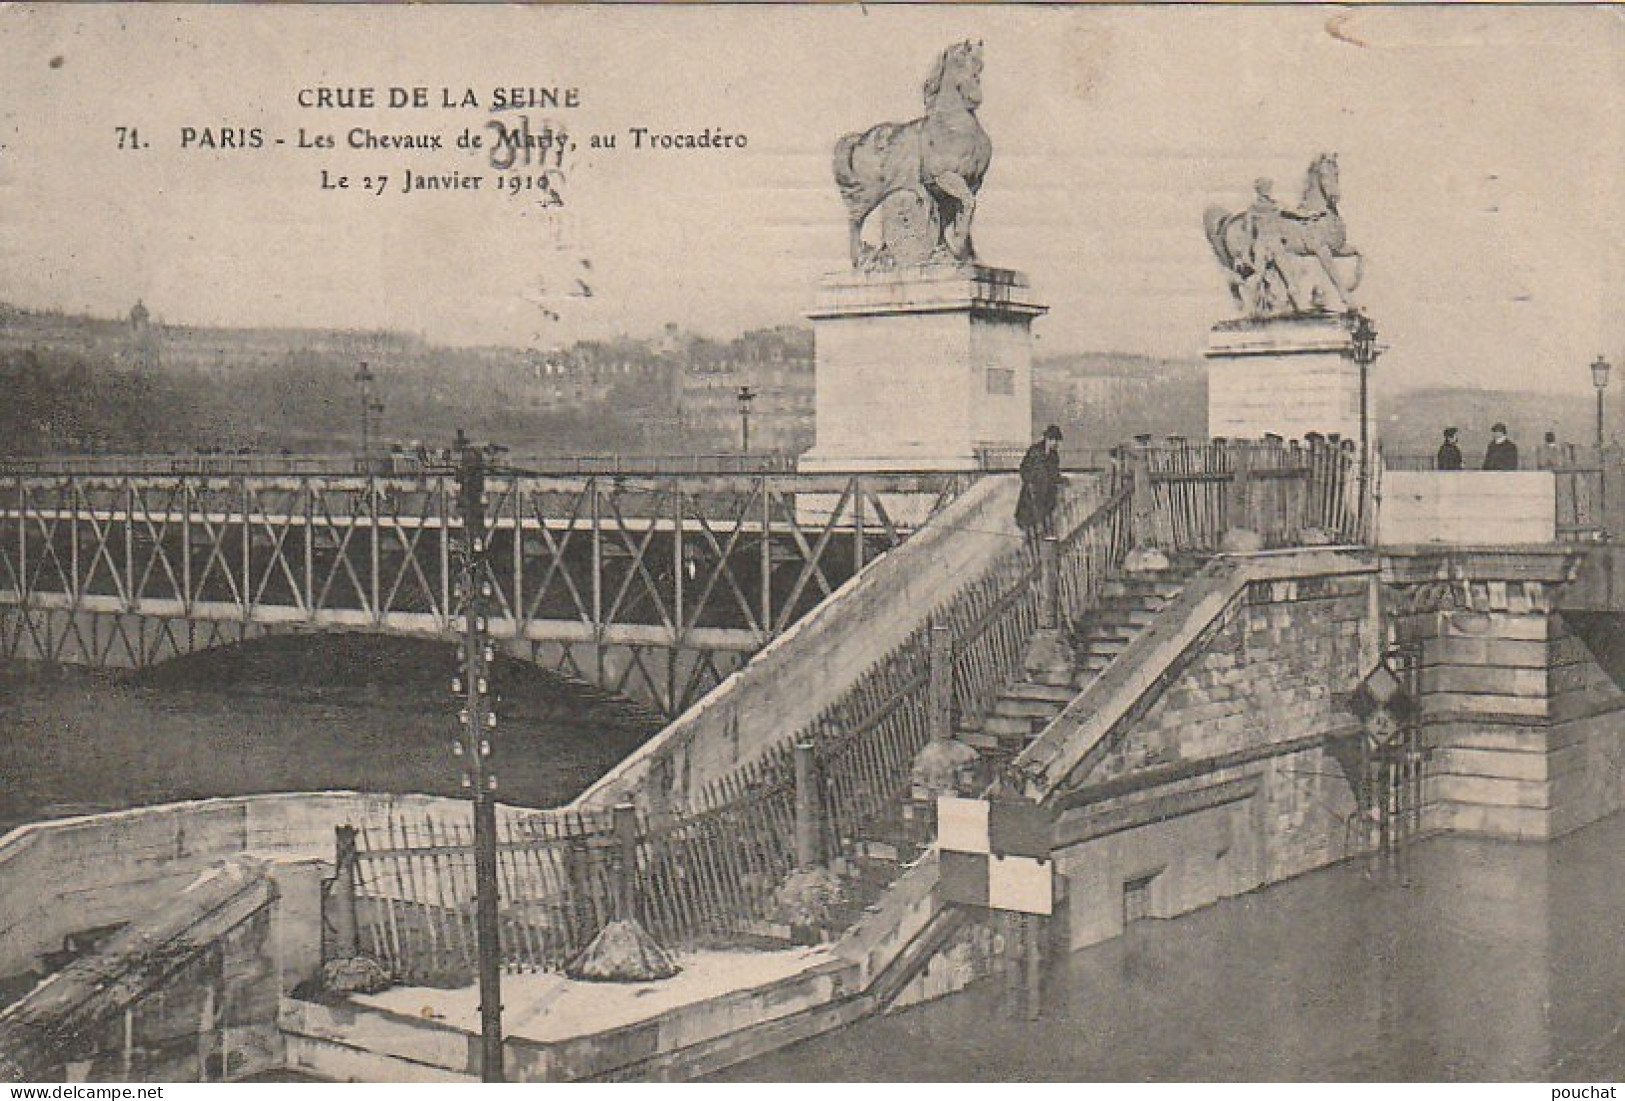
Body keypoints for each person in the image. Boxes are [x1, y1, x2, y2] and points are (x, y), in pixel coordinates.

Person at [1016, 425, 1065, 538]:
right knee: (1030, 523)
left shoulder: (1054, 455)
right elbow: (1023, 468)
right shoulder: (1035, 451)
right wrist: (1030, 483)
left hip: (1047, 495)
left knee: (1045, 523)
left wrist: (1060, 480)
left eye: (1057, 441)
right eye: (1054, 440)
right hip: (1032, 494)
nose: (1056, 444)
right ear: (1048, 439)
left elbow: (1055, 473)